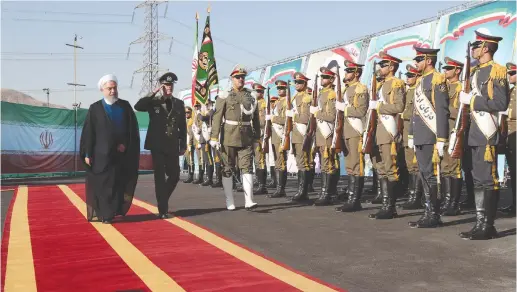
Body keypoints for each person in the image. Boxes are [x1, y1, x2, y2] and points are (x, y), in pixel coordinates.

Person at [457, 29, 509, 240]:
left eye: (476, 46)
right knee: (478, 180)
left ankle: (488, 225)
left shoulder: (496, 71)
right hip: (475, 133)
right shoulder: (476, 72)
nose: (473, 50)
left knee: (488, 180)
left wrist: (473, 101)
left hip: (487, 134)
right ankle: (480, 223)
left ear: (485, 48)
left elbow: (500, 103)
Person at [80, 74, 140, 224]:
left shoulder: (125, 106)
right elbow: (89, 132)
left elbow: (131, 130)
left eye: (114, 88)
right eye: (109, 88)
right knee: (102, 184)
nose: (113, 91)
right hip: (101, 154)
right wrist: (87, 152)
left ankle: (112, 211)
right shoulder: (95, 108)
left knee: (117, 183)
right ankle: (105, 214)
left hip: (120, 154)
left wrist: (125, 144)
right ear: (102, 90)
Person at [134, 72, 187, 219]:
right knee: (159, 177)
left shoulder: (179, 104)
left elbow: (182, 126)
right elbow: (138, 106)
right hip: (157, 144)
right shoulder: (154, 102)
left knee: (174, 175)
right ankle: (163, 209)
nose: (168, 88)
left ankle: (162, 199)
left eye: (170, 85)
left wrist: (183, 144)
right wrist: (153, 92)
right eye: (166, 85)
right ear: (161, 86)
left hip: (172, 144)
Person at [407, 46, 449, 228]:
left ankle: (434, 215)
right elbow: (415, 111)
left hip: (431, 135)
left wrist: (441, 138)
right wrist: (410, 133)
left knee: (431, 176)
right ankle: (427, 212)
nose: (416, 63)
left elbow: (441, 110)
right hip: (420, 135)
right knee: (424, 175)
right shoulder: (421, 81)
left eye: (419, 59)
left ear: (429, 60)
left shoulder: (437, 79)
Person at [209, 65, 260, 210]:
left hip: (246, 136)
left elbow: (255, 118)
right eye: (238, 77)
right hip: (229, 136)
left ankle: (249, 200)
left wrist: (257, 137)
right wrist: (214, 137)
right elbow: (217, 117)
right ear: (232, 79)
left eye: (243, 77)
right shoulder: (225, 95)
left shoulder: (251, 95)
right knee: (227, 168)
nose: (241, 79)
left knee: (247, 167)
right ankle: (229, 200)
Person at [367, 52, 405, 219]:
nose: (380, 68)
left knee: (390, 169)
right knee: (380, 169)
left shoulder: (396, 83)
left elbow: (399, 107)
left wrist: (379, 107)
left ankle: (390, 207)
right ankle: (384, 204)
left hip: (388, 132)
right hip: (377, 131)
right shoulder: (381, 85)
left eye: (383, 65)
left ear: (391, 67)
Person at [335, 61, 369, 212]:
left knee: (356, 166)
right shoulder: (346, 89)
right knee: (350, 167)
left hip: (355, 132)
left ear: (356, 73)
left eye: (349, 71)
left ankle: (355, 201)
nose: (346, 73)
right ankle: (350, 198)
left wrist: (345, 109)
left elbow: (361, 111)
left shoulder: (360, 89)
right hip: (345, 132)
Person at [310, 65, 340, 206]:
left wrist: (317, 113)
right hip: (320, 133)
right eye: (322, 77)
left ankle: (327, 194)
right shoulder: (322, 93)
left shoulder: (332, 94)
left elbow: (331, 116)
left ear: (332, 79)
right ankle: (327, 192)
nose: (323, 79)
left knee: (328, 164)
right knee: (324, 164)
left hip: (327, 132)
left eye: (326, 77)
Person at [440, 57, 465, 216]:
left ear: (457, 70)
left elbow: (460, 112)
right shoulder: (443, 87)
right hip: (442, 132)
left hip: (453, 131)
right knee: (444, 167)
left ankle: (453, 204)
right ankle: (446, 200)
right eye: (445, 68)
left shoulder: (461, 88)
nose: (445, 71)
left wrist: (443, 107)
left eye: (449, 68)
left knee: (454, 167)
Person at [400, 64, 423, 210]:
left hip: (415, 131)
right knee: (410, 166)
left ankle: (417, 197)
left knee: (416, 165)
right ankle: (412, 194)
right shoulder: (409, 91)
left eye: (411, 76)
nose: (407, 78)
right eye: (407, 76)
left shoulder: (418, 91)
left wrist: (403, 114)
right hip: (406, 131)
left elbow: (416, 111)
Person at [288, 72, 312, 202]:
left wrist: (293, 116)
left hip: (302, 133)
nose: (297, 84)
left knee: (304, 163)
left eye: (300, 82)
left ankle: (303, 192)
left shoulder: (306, 98)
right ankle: (301, 190)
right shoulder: (294, 97)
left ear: (305, 84)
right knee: (300, 163)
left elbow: (306, 118)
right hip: (295, 134)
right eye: (296, 82)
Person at [268, 80, 290, 198]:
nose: (280, 90)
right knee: (277, 162)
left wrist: (273, 118)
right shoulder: (277, 102)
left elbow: (285, 120)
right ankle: (278, 187)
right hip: (275, 135)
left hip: (281, 134)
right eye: (278, 88)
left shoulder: (286, 102)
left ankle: (281, 189)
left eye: (282, 88)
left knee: (281, 162)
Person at [500, 62, 516, 215]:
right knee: (513, 170)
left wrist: (507, 113)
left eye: (512, 74)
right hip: (510, 136)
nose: (510, 76)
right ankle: (514, 204)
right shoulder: (511, 91)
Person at [252, 83, 268, 195]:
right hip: (252, 134)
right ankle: (259, 182)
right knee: (256, 161)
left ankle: (262, 185)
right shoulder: (253, 103)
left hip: (259, 134)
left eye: (258, 91)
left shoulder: (263, 104)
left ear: (262, 93)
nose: (256, 93)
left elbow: (263, 122)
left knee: (260, 160)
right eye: (255, 91)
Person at [183, 106, 195, 183]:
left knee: (191, 159)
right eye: (185, 112)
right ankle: (189, 175)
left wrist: (190, 144)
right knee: (188, 159)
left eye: (188, 112)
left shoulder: (191, 121)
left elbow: (191, 134)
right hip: (186, 142)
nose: (186, 114)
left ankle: (191, 176)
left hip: (191, 142)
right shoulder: (185, 120)